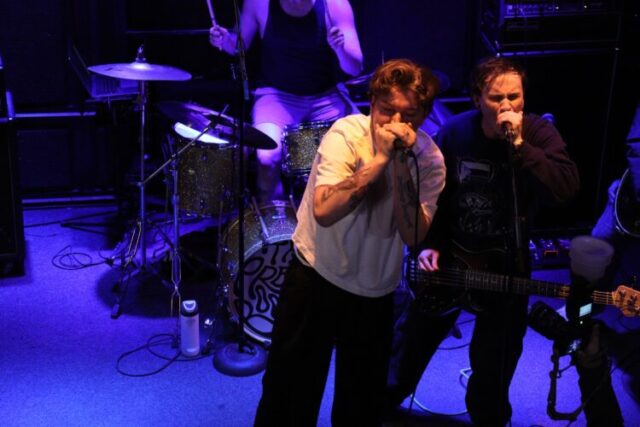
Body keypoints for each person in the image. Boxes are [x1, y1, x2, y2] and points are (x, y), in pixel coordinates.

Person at [385, 56, 580, 425]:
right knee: (409, 346)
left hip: (505, 268)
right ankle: (379, 407)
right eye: (496, 98)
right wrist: (427, 243)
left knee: (494, 367)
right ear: (477, 99)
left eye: (514, 97)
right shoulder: (455, 133)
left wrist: (520, 146)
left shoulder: (537, 133)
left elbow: (567, 189)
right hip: (449, 259)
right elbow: (431, 194)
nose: (507, 105)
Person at [253, 58, 446, 426]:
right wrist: (380, 160)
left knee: (360, 407)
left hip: (374, 292)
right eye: (387, 110)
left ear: (423, 116)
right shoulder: (345, 134)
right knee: (287, 396)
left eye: (409, 116)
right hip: (315, 274)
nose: (395, 124)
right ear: (372, 103)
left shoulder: (430, 160)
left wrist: (401, 166)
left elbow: (413, 235)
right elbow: (325, 210)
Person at [209, 0, 363, 202]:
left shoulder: (334, 5)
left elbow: (355, 67)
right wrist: (223, 40)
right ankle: (276, 217)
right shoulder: (259, 3)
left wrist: (340, 49)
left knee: (364, 143)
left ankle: (354, 213)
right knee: (267, 157)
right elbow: (238, 45)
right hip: (276, 96)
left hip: (326, 95)